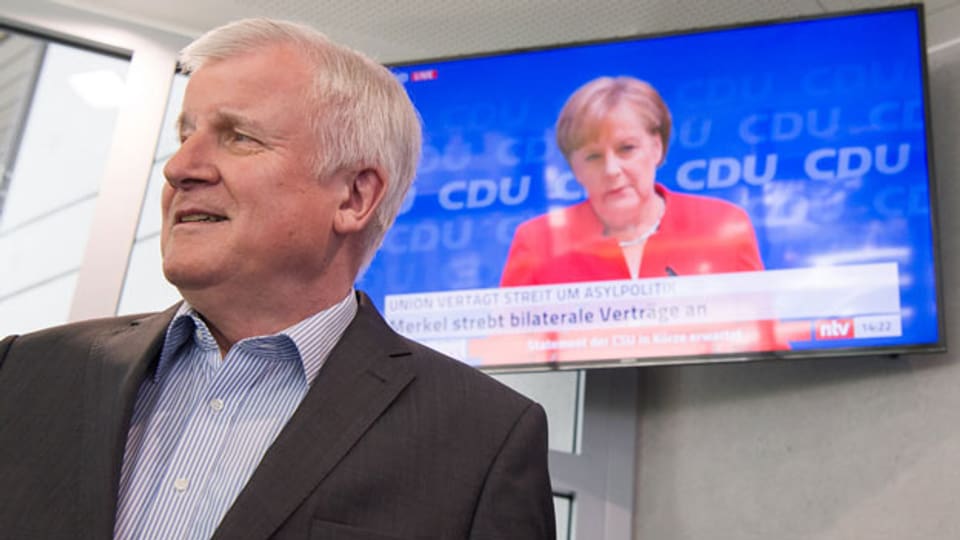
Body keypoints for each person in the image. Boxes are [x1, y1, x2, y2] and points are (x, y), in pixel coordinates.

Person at [0, 19, 555, 539]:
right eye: (185, 135)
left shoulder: (482, 440)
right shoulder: (24, 372)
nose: (179, 168)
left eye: (238, 136)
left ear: (354, 196)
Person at [500, 76, 764, 286]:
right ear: (574, 169)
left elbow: (764, 342)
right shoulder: (537, 243)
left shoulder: (723, 225)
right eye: (593, 156)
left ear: (656, 148)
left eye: (626, 148)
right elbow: (508, 349)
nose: (612, 170)